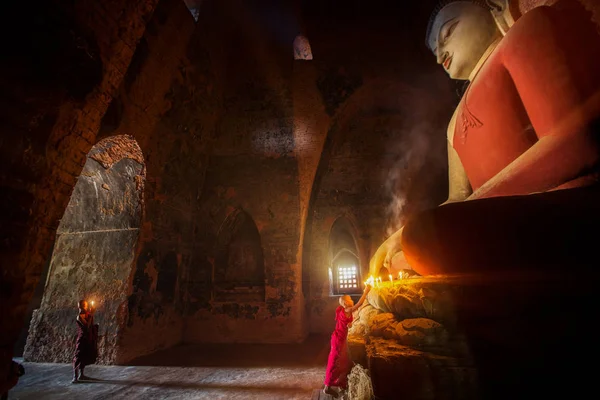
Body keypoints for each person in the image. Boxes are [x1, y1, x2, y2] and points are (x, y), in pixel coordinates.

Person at [369, 0, 600, 277]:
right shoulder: (453, 124)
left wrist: (476, 204)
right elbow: (457, 199)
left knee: (423, 237)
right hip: (493, 219)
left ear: (495, 9)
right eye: (435, 51)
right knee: (410, 245)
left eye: (448, 32)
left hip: (554, 201)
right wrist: (400, 235)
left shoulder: (523, 36)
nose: (440, 53)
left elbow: (576, 143)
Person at [323, 284, 372, 398]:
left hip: (340, 337)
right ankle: (327, 387)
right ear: (345, 303)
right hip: (338, 339)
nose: (352, 300)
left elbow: (345, 322)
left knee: (342, 360)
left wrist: (349, 324)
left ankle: (339, 382)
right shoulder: (348, 309)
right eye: (349, 299)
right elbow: (359, 304)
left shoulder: (344, 310)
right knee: (335, 361)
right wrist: (366, 291)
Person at [72, 300, 98, 383]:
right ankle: (75, 377)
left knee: (84, 356)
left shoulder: (88, 315)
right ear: (79, 306)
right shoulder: (79, 317)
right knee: (78, 356)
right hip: (82, 338)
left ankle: (81, 374)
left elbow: (90, 326)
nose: (85, 307)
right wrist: (91, 315)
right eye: (83, 305)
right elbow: (86, 327)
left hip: (88, 338)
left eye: (86, 305)